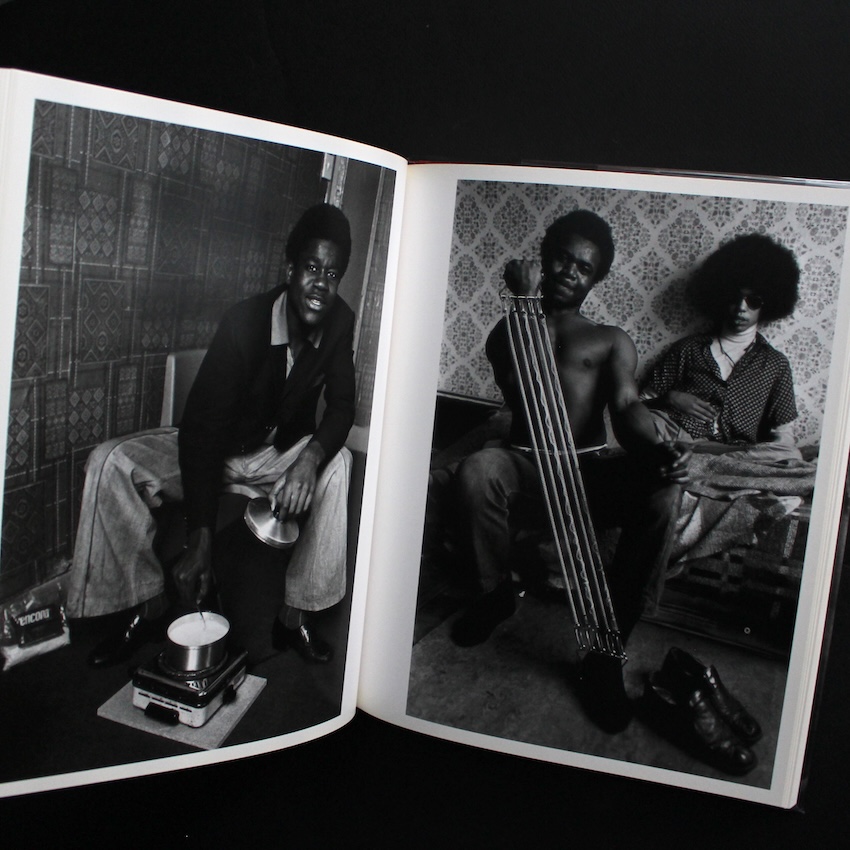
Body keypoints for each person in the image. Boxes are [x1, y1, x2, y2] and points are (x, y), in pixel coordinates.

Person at [67, 203, 356, 667]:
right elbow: (202, 431)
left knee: (338, 464)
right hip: (215, 444)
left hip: (276, 455)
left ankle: (295, 614)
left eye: (333, 273)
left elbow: (342, 404)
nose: (321, 284)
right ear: (290, 270)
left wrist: (309, 458)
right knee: (110, 461)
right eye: (311, 268)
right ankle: (147, 603)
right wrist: (200, 537)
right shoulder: (244, 321)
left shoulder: (340, 322)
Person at [450, 210, 690, 734]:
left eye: (584, 268)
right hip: (525, 463)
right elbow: (531, 389)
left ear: (595, 279)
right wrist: (524, 304)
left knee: (663, 496)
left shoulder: (610, 339)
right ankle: (495, 595)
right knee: (477, 468)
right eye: (561, 258)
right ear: (543, 258)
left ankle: (604, 655)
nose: (569, 272)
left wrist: (655, 450)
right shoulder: (507, 329)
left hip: (586, 470)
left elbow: (627, 406)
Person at [641, 233, 801, 462]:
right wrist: (670, 398)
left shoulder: (775, 364)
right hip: (676, 436)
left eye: (753, 301)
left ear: (769, 304)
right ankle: (684, 456)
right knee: (643, 426)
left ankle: (701, 460)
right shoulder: (688, 349)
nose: (741, 308)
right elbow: (636, 407)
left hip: (734, 450)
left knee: (788, 453)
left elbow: (783, 435)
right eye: (735, 298)